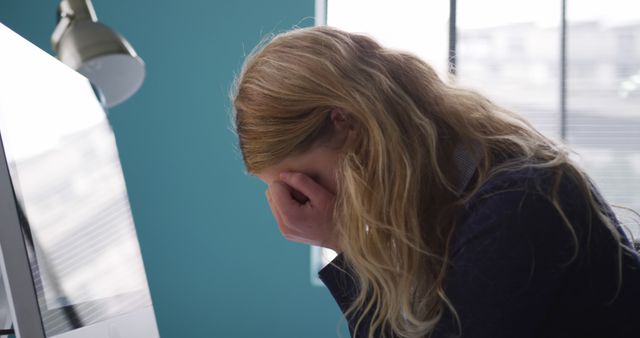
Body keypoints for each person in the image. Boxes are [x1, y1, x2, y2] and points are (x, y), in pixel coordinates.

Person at [231, 26, 640, 338]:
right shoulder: (451, 187)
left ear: (347, 121)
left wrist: (345, 243)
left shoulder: (516, 205)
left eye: (309, 181)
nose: (311, 200)